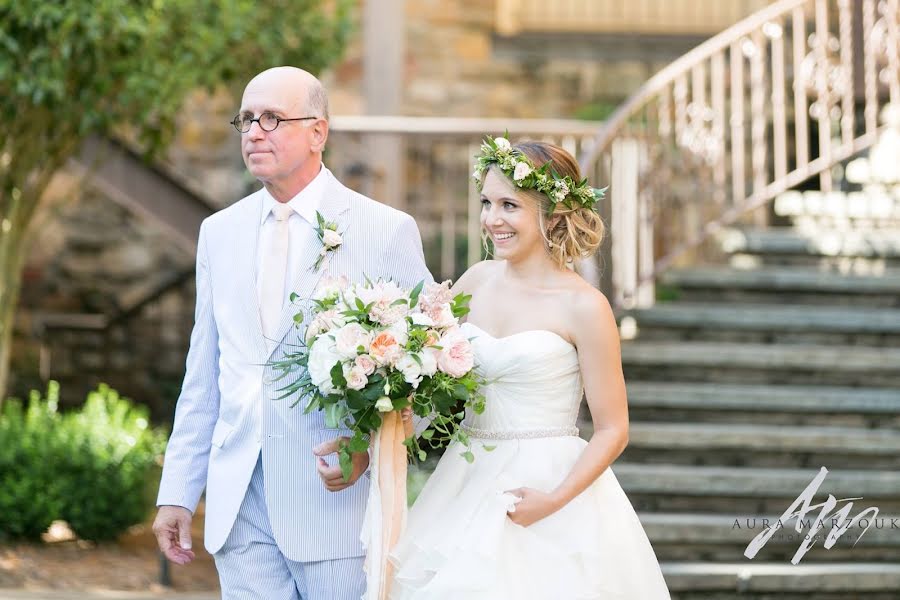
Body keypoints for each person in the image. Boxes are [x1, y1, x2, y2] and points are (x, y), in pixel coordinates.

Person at [152, 66, 431, 600]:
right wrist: (179, 492)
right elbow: (205, 373)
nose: (254, 131)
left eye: (273, 118)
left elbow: (431, 370)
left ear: (318, 132)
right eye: (246, 119)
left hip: (334, 510)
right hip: (240, 509)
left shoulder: (384, 229)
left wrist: (370, 450)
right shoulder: (219, 232)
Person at [390, 138, 671, 598]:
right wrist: (403, 423)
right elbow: (432, 382)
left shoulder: (584, 306)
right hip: (466, 480)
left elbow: (613, 429)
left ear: (553, 214)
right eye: (486, 203)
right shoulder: (476, 281)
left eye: (509, 205)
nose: (491, 219)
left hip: (548, 487)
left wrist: (553, 501)